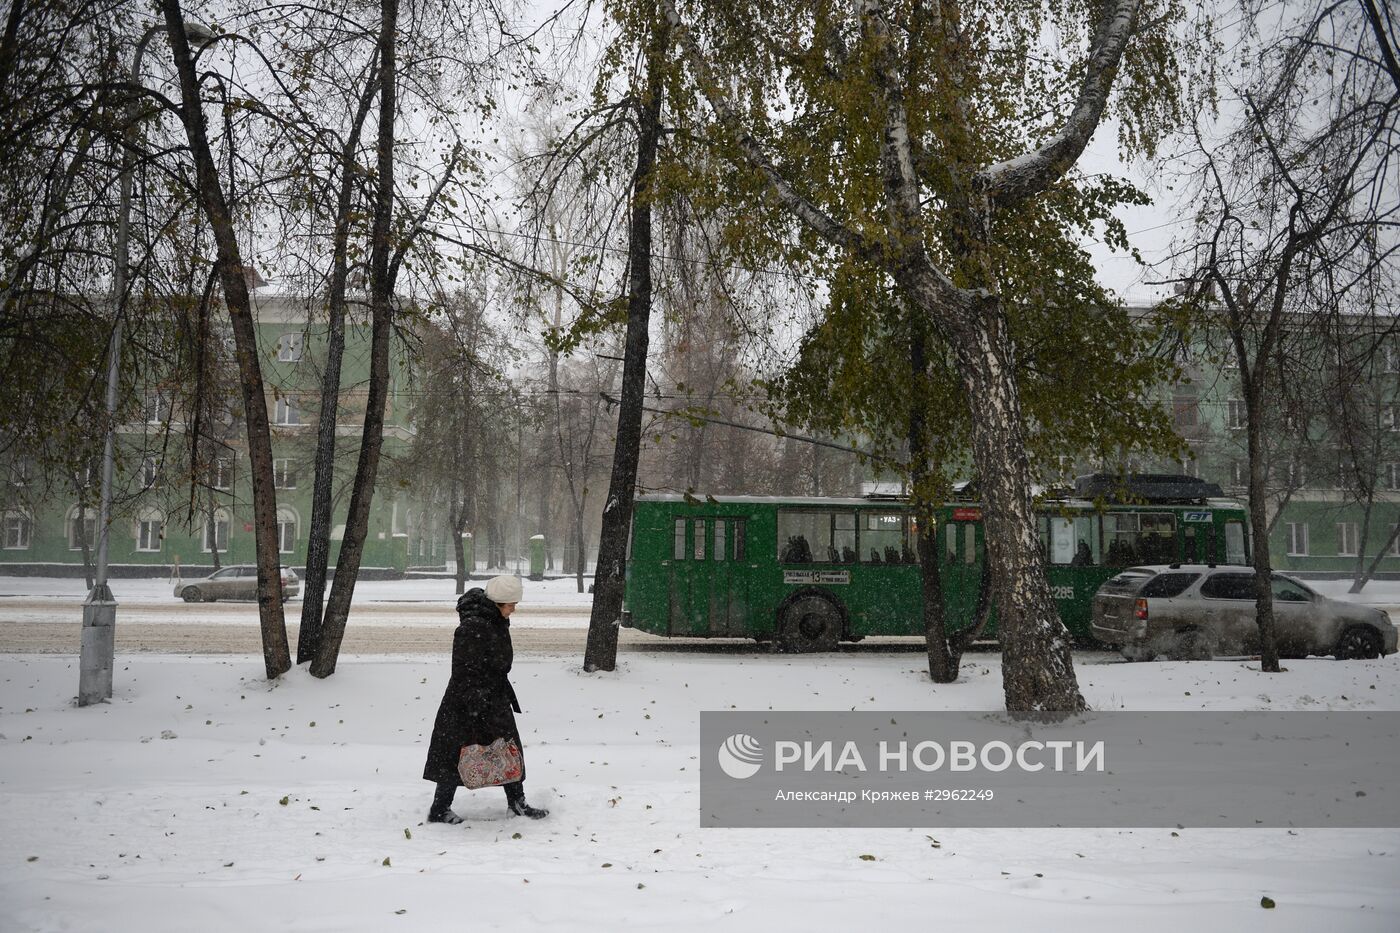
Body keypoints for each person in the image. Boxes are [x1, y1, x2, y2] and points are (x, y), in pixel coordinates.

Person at [422, 574, 547, 823]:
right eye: (511, 604)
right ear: (498, 602)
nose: (514, 609)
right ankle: (439, 809)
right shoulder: (473, 628)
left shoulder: (494, 620)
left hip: (492, 697)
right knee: (455, 754)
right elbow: (462, 671)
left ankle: (517, 803)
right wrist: (476, 703)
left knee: (508, 750)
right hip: (469, 703)